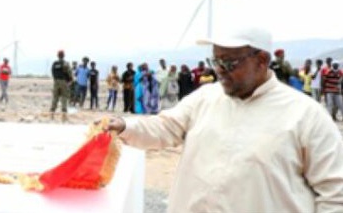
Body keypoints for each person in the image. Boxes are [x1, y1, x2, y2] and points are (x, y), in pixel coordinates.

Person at [106, 27, 343, 212]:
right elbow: (164, 127)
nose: (220, 69)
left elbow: (335, 193)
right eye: (216, 61)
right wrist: (125, 126)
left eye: (229, 62)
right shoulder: (205, 98)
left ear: (261, 60)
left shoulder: (306, 115)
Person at [49, 50, 72, 119]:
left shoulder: (55, 63)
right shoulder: (65, 63)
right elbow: (69, 72)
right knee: (64, 97)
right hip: (64, 81)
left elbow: (52, 72)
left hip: (56, 81)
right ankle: (64, 115)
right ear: (63, 55)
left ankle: (52, 113)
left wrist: (55, 79)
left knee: (55, 97)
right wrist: (70, 80)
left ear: (58, 56)